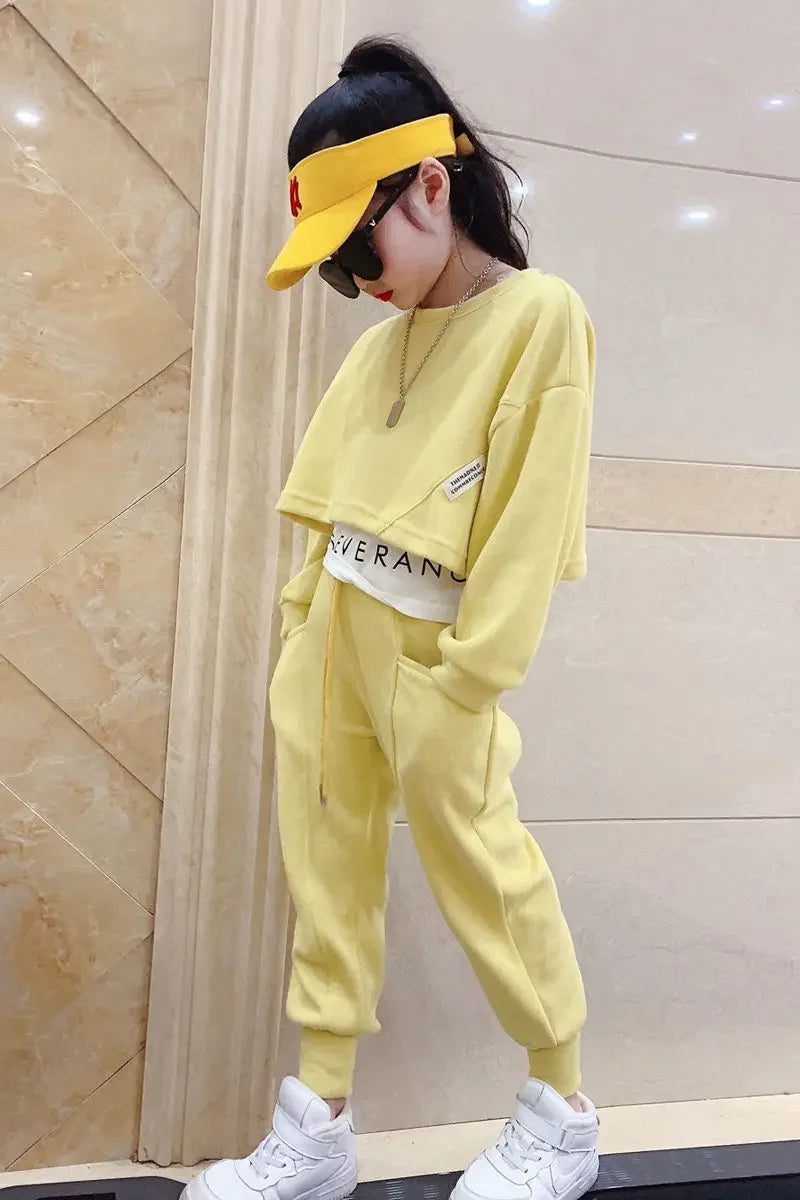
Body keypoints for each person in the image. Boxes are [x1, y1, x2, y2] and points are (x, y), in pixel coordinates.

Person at [185, 36, 599, 1200]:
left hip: (435, 651)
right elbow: (328, 507)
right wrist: (297, 626)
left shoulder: (539, 317)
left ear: (427, 186)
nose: (352, 277)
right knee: (324, 868)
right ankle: (316, 1121)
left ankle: (562, 1111)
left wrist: (467, 677)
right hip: (332, 636)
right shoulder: (380, 347)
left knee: (484, 868)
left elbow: (526, 522)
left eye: (353, 246)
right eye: (329, 266)